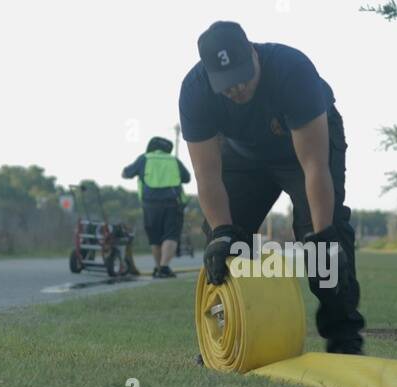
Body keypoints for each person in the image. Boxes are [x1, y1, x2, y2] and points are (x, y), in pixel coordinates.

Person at [179, 21, 365, 354]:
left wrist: (323, 235)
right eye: (225, 84)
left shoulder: (292, 70)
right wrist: (222, 232)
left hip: (305, 151)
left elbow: (314, 165)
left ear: (253, 52)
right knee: (224, 241)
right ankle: (229, 336)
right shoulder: (195, 92)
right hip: (243, 153)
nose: (235, 89)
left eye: (241, 76)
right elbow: (207, 177)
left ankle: (344, 339)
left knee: (324, 243)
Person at [122, 136, 192, 278]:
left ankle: (159, 267)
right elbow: (187, 178)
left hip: (150, 204)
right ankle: (164, 267)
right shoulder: (173, 160)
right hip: (173, 203)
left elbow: (125, 174)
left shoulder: (144, 158)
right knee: (171, 234)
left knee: (154, 237)